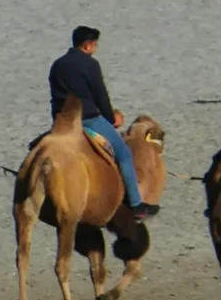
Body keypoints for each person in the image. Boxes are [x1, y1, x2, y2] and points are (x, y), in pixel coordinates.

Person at [47, 26, 155, 217]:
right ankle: (136, 204)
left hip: (62, 122)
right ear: (87, 46)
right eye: (95, 45)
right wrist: (110, 118)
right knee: (123, 154)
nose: (95, 48)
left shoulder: (57, 65)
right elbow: (100, 96)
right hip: (87, 119)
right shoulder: (90, 65)